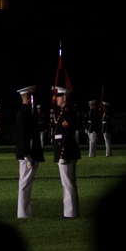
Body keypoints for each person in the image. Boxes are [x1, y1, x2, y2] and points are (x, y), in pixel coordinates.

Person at [15, 85, 45, 218]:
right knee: (25, 183)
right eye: (31, 96)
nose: (33, 98)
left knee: (27, 183)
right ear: (26, 97)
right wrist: (26, 154)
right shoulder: (24, 112)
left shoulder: (30, 111)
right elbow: (23, 135)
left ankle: (25, 212)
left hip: (31, 151)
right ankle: (23, 213)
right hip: (28, 152)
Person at [52, 86, 81, 218]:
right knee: (68, 183)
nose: (56, 98)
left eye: (58, 96)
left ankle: (70, 213)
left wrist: (63, 154)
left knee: (68, 183)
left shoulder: (67, 114)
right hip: (67, 151)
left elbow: (67, 136)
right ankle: (71, 212)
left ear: (65, 98)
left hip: (67, 152)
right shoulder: (66, 112)